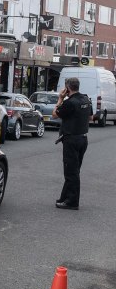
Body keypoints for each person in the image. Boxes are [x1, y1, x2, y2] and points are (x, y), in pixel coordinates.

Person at [52, 77, 92, 210]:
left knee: (71, 172)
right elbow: (91, 117)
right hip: (83, 139)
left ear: (67, 88)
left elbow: (54, 115)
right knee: (74, 170)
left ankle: (72, 202)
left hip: (71, 140)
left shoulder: (70, 103)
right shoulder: (86, 99)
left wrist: (60, 99)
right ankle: (65, 197)